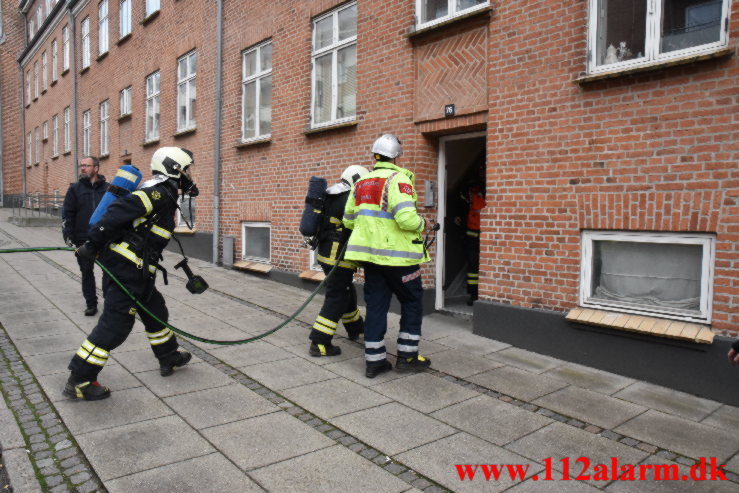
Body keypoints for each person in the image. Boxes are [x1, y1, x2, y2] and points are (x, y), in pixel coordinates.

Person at [63, 147, 199, 401]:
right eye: (186, 169)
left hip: (139, 269)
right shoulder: (156, 193)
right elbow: (116, 214)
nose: (189, 175)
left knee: (155, 310)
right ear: (174, 169)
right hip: (125, 268)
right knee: (116, 325)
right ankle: (80, 379)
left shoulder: (165, 194)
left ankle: (168, 355)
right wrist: (91, 246)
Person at [343, 134, 432, 378]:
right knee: (412, 302)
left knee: (376, 306)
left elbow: (348, 220)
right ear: (396, 157)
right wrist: (423, 223)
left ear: (375, 155)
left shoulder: (361, 183)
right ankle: (408, 356)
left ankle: (375, 361)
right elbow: (405, 219)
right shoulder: (398, 179)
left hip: (371, 259)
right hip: (399, 259)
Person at [308, 165, 369, 357]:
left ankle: (356, 328)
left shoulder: (331, 194)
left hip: (326, 254)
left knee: (346, 291)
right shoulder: (348, 198)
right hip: (339, 258)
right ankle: (320, 342)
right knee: (337, 297)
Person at [61, 156, 108, 316]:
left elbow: (115, 212)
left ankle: (109, 303)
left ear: (96, 168)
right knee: (87, 273)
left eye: (86, 165)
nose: (83, 168)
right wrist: (68, 234)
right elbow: (68, 213)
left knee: (108, 273)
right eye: (81, 165)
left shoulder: (108, 189)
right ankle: (91, 304)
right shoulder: (75, 189)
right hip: (83, 239)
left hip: (104, 238)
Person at [454, 162, 486, 306]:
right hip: (472, 234)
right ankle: (473, 294)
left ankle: (478, 295)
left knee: (480, 265)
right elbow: (462, 204)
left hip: (485, 234)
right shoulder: (470, 188)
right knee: (473, 266)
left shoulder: (485, 188)